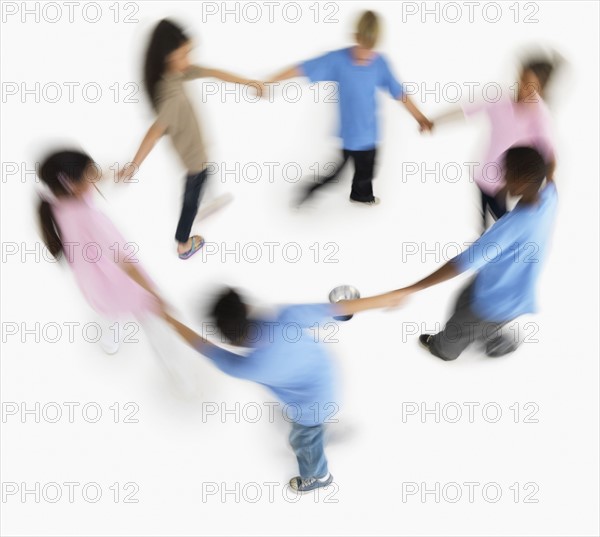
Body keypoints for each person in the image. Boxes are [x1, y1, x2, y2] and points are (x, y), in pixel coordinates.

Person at [165, 287, 403, 492]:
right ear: (246, 308)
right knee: (313, 424)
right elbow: (340, 309)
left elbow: (202, 346)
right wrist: (388, 298)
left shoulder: (245, 366)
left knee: (302, 440)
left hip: (311, 410)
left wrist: (168, 318)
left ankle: (318, 476)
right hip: (328, 375)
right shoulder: (287, 316)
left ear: (229, 340)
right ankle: (325, 431)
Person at [37, 149, 191, 389]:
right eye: (90, 174)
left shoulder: (58, 203)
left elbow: (92, 180)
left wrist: (113, 173)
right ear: (71, 183)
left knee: (111, 315)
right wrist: (154, 293)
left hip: (93, 284)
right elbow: (125, 264)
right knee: (156, 326)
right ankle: (180, 377)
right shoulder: (91, 218)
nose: (96, 177)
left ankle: (109, 344)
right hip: (119, 283)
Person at [390, 146, 557, 360]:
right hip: (504, 287)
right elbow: (551, 170)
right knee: (463, 302)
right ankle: (492, 336)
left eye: (507, 174)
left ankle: (452, 348)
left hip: (494, 303)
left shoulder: (509, 229)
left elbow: (460, 263)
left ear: (523, 182)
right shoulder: (550, 196)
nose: (502, 176)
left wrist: (411, 288)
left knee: (452, 337)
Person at [119, 19, 262, 259]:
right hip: (194, 160)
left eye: (189, 52)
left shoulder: (176, 73)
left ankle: (207, 203)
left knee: (202, 181)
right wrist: (133, 166)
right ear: (166, 57)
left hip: (198, 153)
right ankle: (183, 244)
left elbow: (212, 72)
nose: (189, 59)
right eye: (184, 54)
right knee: (190, 200)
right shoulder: (171, 95)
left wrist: (248, 82)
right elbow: (153, 134)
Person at [267, 10, 432, 206]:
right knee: (338, 172)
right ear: (355, 37)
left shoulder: (380, 64)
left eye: (370, 49)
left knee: (368, 170)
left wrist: (420, 117)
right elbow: (302, 68)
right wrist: (270, 81)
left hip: (370, 133)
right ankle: (308, 191)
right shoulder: (338, 59)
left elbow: (400, 93)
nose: (365, 55)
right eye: (362, 46)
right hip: (351, 135)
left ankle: (361, 196)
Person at [432, 57, 558, 229]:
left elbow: (549, 155)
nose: (522, 87)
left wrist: (548, 191)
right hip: (483, 175)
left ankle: (499, 245)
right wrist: (433, 122)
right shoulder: (500, 98)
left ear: (540, 88)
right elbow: (465, 110)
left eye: (530, 84)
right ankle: (484, 239)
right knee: (485, 222)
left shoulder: (539, 117)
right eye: (521, 79)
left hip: (508, 185)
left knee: (504, 225)